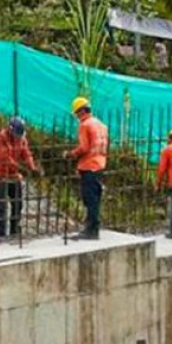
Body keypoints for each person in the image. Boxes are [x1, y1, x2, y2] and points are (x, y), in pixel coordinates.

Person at [0, 117, 42, 250]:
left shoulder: (21, 138)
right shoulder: (0, 137)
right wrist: (21, 168)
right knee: (2, 206)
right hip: (2, 174)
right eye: (16, 135)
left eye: (19, 136)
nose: (17, 138)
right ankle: (1, 234)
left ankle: (14, 232)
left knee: (18, 204)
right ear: (10, 130)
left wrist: (32, 167)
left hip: (15, 176)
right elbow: (4, 157)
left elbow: (27, 154)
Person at [64, 97, 108, 240]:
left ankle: (91, 230)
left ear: (82, 111)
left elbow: (84, 147)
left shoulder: (85, 125)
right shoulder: (101, 125)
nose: (77, 117)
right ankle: (93, 228)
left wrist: (70, 154)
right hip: (100, 164)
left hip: (89, 166)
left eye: (77, 113)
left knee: (89, 199)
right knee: (95, 198)